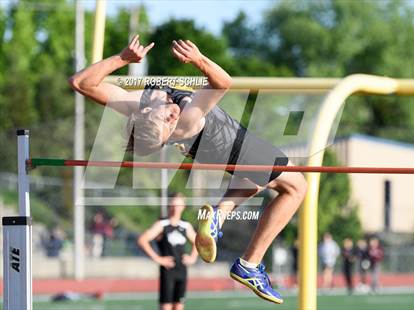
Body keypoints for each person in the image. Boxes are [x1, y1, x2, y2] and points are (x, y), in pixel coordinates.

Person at [69, 35, 307, 304]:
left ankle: (218, 217)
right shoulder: (186, 118)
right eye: (170, 124)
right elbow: (223, 82)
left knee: (259, 181)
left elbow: (80, 83)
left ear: (144, 114)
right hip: (232, 143)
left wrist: (123, 58)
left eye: (166, 117)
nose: (172, 115)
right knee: (297, 187)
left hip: (216, 148)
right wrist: (199, 61)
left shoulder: (135, 104)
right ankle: (250, 264)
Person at [138, 193, 198, 310]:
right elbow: (142, 240)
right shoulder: (162, 224)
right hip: (168, 272)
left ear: (183, 206)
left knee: (179, 306)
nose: (175, 208)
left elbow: (198, 242)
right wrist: (158, 259)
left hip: (182, 271)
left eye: (178, 205)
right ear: (168, 206)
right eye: (173, 205)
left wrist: (193, 257)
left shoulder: (185, 226)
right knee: (166, 307)